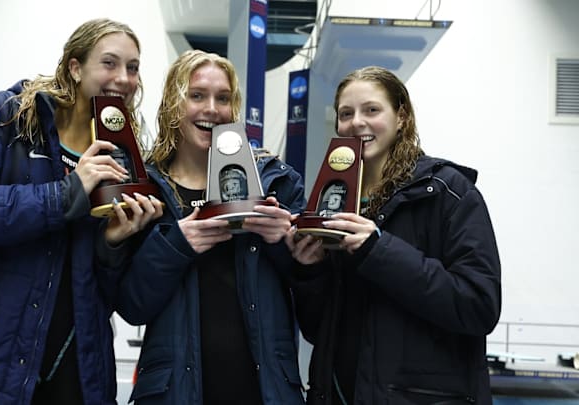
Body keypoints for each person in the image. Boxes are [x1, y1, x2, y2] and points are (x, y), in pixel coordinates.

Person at [0, 18, 162, 405]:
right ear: (75, 67)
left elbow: (105, 288)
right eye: (109, 63)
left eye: (133, 67)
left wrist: (114, 245)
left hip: (73, 372)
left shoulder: (122, 153)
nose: (124, 78)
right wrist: (67, 193)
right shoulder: (9, 118)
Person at [285, 66, 501, 404]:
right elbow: (317, 331)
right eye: (346, 113)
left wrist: (379, 249)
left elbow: (479, 306)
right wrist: (310, 270)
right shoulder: (336, 200)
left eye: (372, 110)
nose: (357, 122)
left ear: (401, 117)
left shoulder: (448, 193)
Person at [115, 50, 307, 404]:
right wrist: (177, 245)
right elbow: (132, 304)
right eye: (197, 95)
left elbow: (314, 297)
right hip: (174, 393)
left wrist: (284, 242)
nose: (212, 109)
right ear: (173, 104)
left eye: (223, 98)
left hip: (265, 392)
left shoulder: (275, 182)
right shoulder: (146, 190)